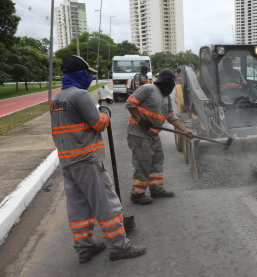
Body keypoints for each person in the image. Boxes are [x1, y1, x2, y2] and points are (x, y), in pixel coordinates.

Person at [50, 55, 146, 262]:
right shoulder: (80, 95)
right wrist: (104, 105)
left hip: (68, 161)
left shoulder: (57, 98)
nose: (90, 78)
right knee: (107, 204)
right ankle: (120, 247)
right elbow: (100, 124)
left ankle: (84, 247)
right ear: (80, 74)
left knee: (78, 206)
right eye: (88, 74)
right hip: (86, 160)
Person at [125, 68, 194, 205]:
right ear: (165, 80)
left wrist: (185, 130)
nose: (173, 85)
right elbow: (130, 103)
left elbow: (171, 116)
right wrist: (140, 119)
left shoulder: (165, 96)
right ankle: (137, 194)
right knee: (143, 163)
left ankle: (156, 189)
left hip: (153, 134)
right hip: (139, 133)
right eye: (172, 81)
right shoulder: (148, 89)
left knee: (157, 160)